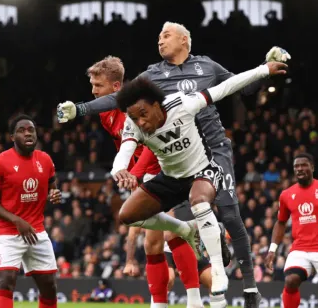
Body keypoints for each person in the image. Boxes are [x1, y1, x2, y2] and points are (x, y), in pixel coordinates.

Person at [56, 21, 291, 307]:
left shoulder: (194, 86)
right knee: (151, 222)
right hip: (171, 167)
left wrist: (265, 68)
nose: (160, 40)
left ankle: (234, 285)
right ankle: (186, 276)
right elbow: (124, 125)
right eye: (158, 35)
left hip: (206, 158)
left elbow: (232, 87)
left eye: (166, 35)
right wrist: (85, 117)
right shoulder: (143, 95)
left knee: (215, 210)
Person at [109, 61, 287, 301]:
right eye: (134, 117)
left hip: (203, 170)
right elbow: (125, 152)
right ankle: (186, 229)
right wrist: (119, 169)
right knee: (127, 215)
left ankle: (217, 269)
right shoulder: (134, 124)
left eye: (143, 114)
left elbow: (225, 87)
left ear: (156, 104)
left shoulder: (182, 103)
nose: (140, 122)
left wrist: (263, 70)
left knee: (199, 202)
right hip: (171, 178)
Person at [86, 56, 227, 308]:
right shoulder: (105, 115)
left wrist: (137, 173)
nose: (93, 91)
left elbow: (155, 142)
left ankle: (196, 300)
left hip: (166, 171)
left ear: (116, 88)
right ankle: (165, 302)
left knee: (169, 238)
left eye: (98, 85)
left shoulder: (129, 109)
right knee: (155, 243)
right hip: (146, 173)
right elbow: (128, 146)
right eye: (93, 85)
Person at [0, 115, 62, 308]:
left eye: (31, 129)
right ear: (12, 137)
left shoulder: (45, 160)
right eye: (21, 130)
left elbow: (52, 183)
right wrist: (17, 221)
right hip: (7, 232)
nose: (28, 133)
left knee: (49, 287)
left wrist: (54, 193)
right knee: (6, 281)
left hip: (36, 231)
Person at [265, 153, 318, 308]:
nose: (300, 169)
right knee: (290, 280)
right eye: (296, 166)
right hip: (300, 248)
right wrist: (272, 249)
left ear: (312, 168)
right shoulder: (286, 195)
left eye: (304, 165)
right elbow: (280, 223)